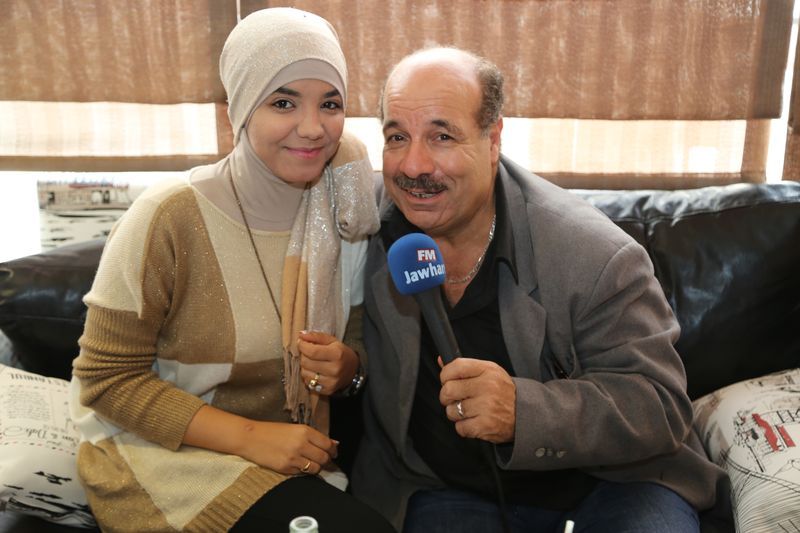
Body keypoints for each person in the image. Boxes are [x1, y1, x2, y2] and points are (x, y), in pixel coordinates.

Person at [350, 46, 731, 533]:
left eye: (442, 136)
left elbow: (659, 406)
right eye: (396, 137)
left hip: (612, 484)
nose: (413, 164)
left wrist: (523, 412)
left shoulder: (594, 253)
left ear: (493, 139)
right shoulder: (369, 226)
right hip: (446, 488)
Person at [69, 8, 394, 533]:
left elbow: (355, 343)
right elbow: (106, 381)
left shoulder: (342, 210)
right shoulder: (168, 215)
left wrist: (348, 366)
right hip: (163, 455)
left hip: (286, 454)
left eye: (330, 104)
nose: (313, 127)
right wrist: (250, 437)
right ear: (237, 111)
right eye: (283, 102)